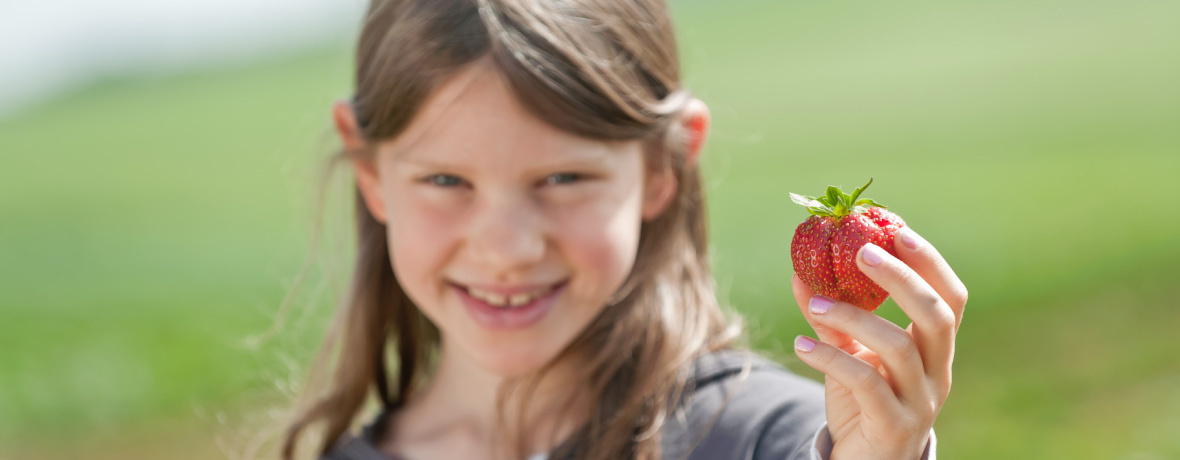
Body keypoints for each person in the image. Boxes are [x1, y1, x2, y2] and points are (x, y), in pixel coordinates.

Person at [276, 0, 967, 459]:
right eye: (445, 181)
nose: (508, 249)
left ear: (665, 164)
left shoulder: (768, 437)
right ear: (370, 171)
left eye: (563, 179)